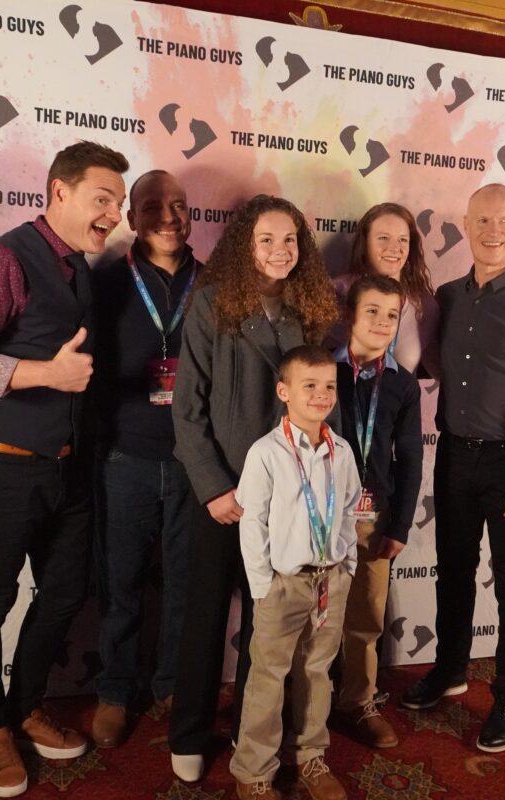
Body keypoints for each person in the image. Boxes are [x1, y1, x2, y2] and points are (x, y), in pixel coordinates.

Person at [0, 141, 130, 797]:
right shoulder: (3, 260)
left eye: (120, 204)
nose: (114, 216)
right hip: (1, 472)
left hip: (67, 475)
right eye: (103, 199)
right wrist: (43, 373)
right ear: (59, 191)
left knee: (67, 594)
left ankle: (25, 705)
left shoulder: (84, 271)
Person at [169, 195, 337, 782]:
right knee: (206, 614)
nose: (279, 250)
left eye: (289, 239)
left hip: (283, 502)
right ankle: (188, 730)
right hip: (222, 497)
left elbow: (316, 404)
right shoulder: (212, 304)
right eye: (266, 239)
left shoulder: (309, 311)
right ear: (245, 244)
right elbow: (186, 411)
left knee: (268, 626)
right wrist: (215, 488)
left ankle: (251, 731)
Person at [400, 184, 505, 754]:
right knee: (452, 569)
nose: (492, 231)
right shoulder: (448, 297)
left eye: (502, 221)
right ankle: (450, 670)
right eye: (481, 222)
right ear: (465, 227)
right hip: (454, 454)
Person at [89, 170, 199, 747]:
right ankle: (114, 690)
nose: (168, 216)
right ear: (132, 217)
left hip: (192, 463)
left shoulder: (210, 285)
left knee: (185, 582)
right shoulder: (106, 280)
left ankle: (172, 685)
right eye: (153, 206)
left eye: (179, 205)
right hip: (124, 457)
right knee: (121, 582)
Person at [231, 345, 361, 800]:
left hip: (330, 581)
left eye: (329, 385)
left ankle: (310, 756)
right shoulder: (265, 453)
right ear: (284, 391)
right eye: (310, 385)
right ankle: (254, 770)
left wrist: (346, 564)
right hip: (283, 585)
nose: (322, 394)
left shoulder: (342, 451)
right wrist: (263, 586)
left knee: (318, 671)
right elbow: (252, 522)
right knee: (268, 675)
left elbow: (347, 510)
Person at [332, 276, 422, 749]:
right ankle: (302, 707)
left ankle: (357, 702)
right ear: (350, 314)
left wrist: (401, 525)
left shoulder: (402, 386)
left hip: (373, 517)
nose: (383, 323)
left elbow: (409, 458)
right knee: (311, 616)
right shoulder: (320, 370)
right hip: (320, 514)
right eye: (372, 311)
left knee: (365, 617)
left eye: (392, 315)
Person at [327, 203, 440, 378]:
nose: (394, 247)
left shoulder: (425, 306)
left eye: (402, 239)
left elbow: (441, 370)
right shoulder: (337, 293)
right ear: (365, 243)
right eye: (383, 238)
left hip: (398, 405)